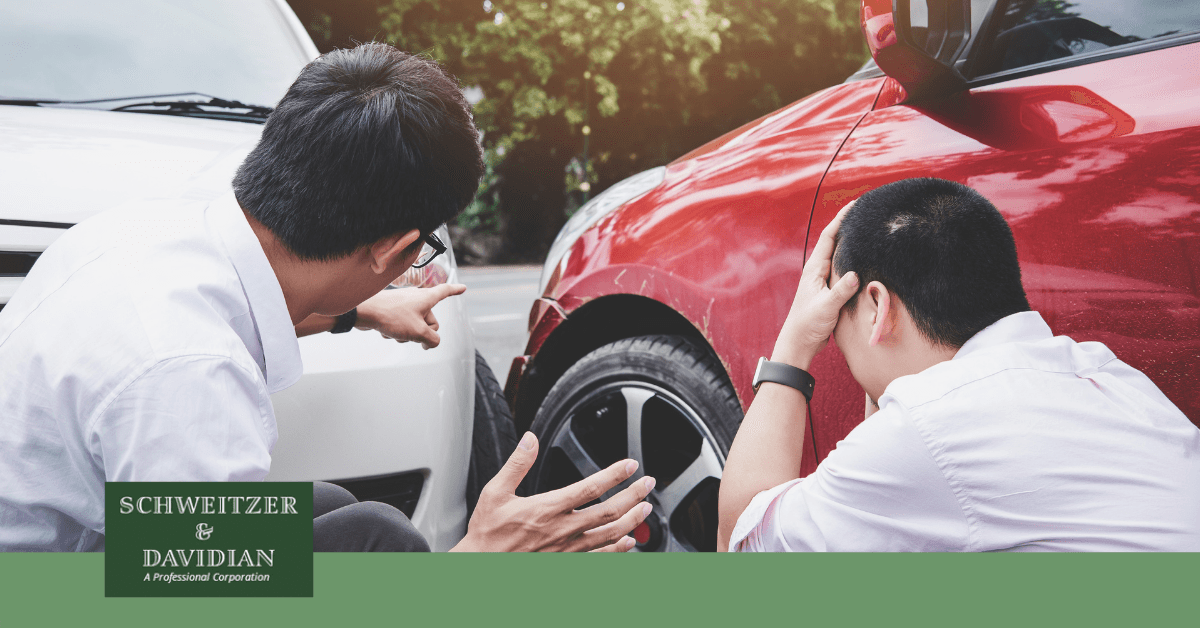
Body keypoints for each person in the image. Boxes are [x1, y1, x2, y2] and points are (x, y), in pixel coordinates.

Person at [0, 43, 654, 553]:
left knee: (346, 514)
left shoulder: (151, 228)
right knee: (382, 542)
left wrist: (360, 311)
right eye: (421, 250)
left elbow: (238, 313)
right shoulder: (191, 378)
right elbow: (197, 596)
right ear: (393, 251)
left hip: (78, 528)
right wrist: (480, 555)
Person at [718, 178, 1200, 552]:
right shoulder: (1108, 375)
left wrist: (795, 343)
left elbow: (742, 550)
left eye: (837, 336)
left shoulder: (930, 426)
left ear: (877, 307)